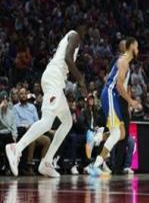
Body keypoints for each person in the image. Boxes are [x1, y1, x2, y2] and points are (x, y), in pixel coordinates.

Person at [6, 25, 88, 178]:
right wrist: (81, 80)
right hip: (53, 79)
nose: (87, 32)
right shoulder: (75, 35)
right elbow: (68, 59)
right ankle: (16, 148)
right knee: (47, 122)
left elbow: (67, 61)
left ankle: (47, 162)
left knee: (67, 122)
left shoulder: (72, 40)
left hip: (56, 80)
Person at [88, 37, 140, 176]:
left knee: (121, 134)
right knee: (117, 133)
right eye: (136, 47)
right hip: (110, 94)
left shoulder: (125, 62)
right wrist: (131, 101)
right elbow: (118, 85)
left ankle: (98, 138)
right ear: (131, 47)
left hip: (113, 96)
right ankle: (95, 164)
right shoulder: (123, 61)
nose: (138, 50)